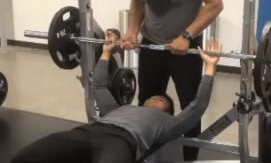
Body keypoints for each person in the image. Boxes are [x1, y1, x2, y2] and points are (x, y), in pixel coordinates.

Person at [11, 31, 223, 163]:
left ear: (167, 113)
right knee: (23, 157)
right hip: (89, 131)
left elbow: (197, 107)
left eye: (162, 101)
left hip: (123, 142)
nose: (157, 98)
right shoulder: (116, 109)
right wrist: (106, 52)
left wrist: (210, 67)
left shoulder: (169, 125)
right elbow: (98, 84)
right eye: (156, 96)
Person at [120, 0, 224, 161]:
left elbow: (215, 3)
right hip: (151, 45)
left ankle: (188, 159)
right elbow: (137, 0)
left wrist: (186, 35)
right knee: (146, 104)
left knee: (190, 110)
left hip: (184, 51)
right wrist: (132, 30)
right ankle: (148, 156)